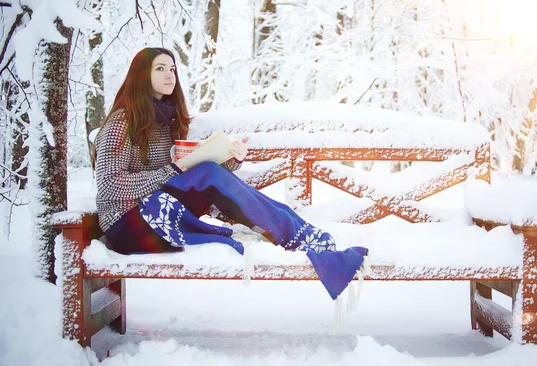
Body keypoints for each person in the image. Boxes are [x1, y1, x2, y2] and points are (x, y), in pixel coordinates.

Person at [94, 47, 368, 300]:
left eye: (172, 69)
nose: (169, 75)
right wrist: (174, 169)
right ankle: (298, 237)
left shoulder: (164, 120)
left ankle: (300, 232)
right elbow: (108, 186)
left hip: (156, 208)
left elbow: (187, 171)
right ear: (142, 75)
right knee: (207, 173)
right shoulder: (122, 121)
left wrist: (229, 159)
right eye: (160, 69)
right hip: (127, 223)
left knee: (210, 171)